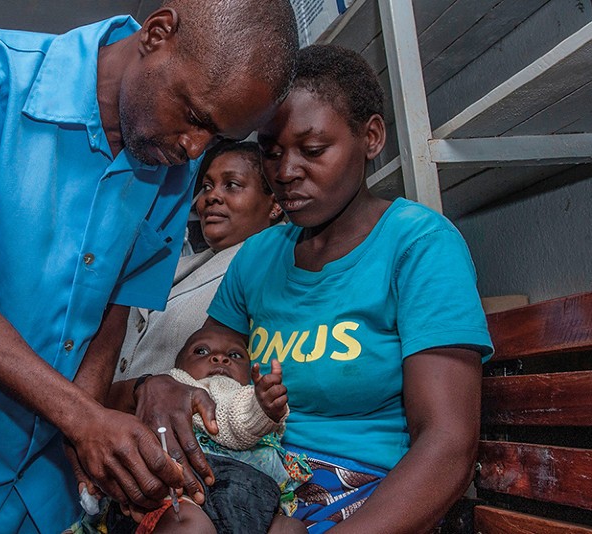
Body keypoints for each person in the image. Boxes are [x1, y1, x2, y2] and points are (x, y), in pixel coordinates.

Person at [0, 2, 298, 532]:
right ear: (158, 33)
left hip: (38, 492)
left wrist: (88, 434)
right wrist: (81, 417)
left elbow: (115, 309)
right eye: (193, 116)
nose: (194, 147)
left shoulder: (172, 164)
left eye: (214, 138)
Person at [134, 45, 494, 533]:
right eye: (273, 152)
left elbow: (448, 446)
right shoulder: (260, 255)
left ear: (370, 137)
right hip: (255, 486)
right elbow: (202, 366)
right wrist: (158, 386)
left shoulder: (418, 245)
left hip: (369, 502)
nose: (286, 172)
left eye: (313, 149)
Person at [73, 325, 308, 534]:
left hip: (252, 501)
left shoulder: (246, 397)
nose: (220, 358)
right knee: (190, 527)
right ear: (178, 366)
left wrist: (265, 405)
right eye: (201, 351)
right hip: (179, 499)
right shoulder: (167, 390)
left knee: (291, 529)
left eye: (235, 355)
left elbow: (245, 420)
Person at [114, 141, 282, 382]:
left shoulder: (272, 267)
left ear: (275, 204)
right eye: (206, 186)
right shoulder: (179, 263)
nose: (212, 196)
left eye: (231, 185)